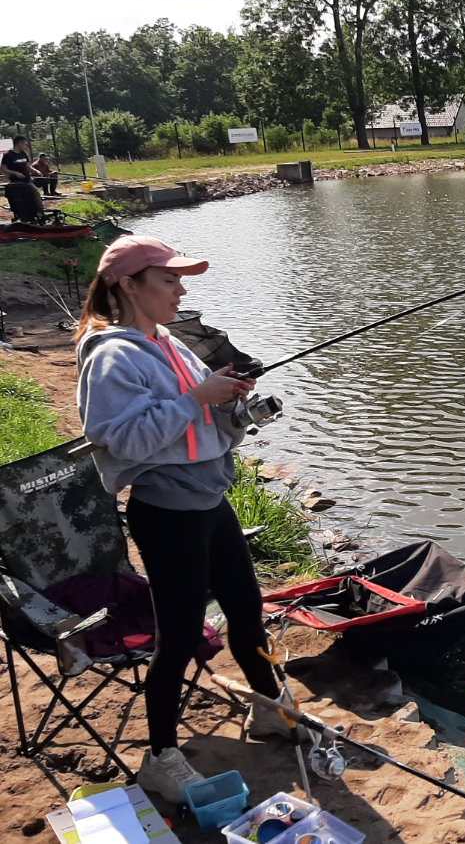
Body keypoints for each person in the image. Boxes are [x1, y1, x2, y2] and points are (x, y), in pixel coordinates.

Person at [75, 235, 298, 805]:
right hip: (167, 513)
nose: (180, 290)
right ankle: (160, 757)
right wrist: (197, 397)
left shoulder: (168, 341)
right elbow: (117, 437)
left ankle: (270, 711)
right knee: (175, 638)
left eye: (181, 280)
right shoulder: (111, 354)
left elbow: (207, 420)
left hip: (210, 498)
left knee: (247, 613)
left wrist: (232, 405)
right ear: (128, 285)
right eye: (169, 280)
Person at [2, 135, 45, 222]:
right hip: (16, 183)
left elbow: (27, 166)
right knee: (30, 197)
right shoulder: (8, 155)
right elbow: (3, 169)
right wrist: (15, 173)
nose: (26, 147)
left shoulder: (23, 154)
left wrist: (36, 171)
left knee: (36, 197)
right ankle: (28, 214)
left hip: (27, 180)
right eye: (25, 144)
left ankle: (39, 214)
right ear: (20, 144)